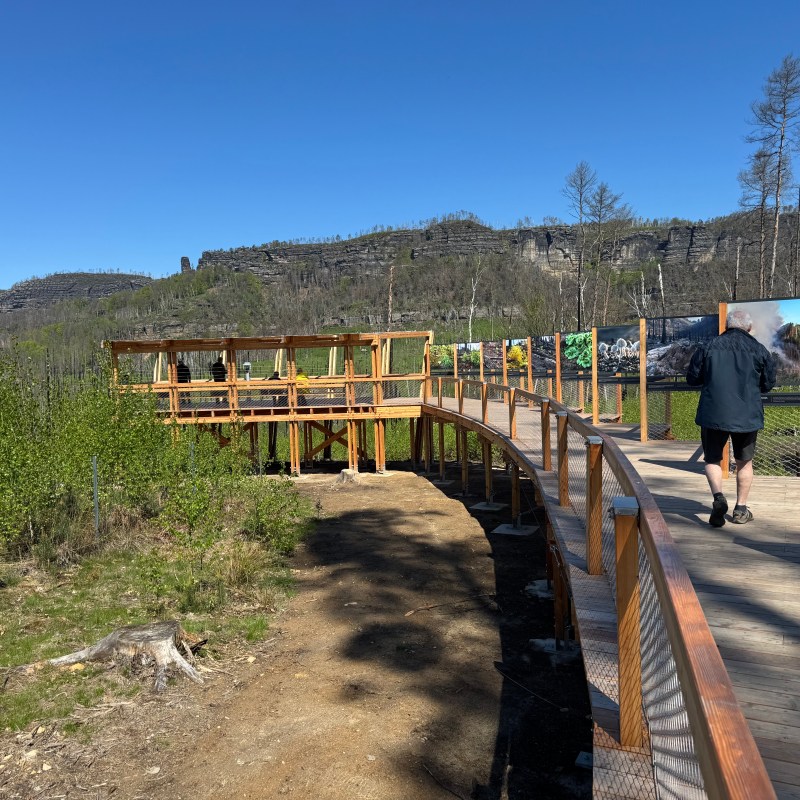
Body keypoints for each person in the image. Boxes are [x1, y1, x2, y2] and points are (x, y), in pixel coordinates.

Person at [686, 307, 776, 526]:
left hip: (713, 414)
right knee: (744, 462)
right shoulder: (760, 350)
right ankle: (740, 509)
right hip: (747, 416)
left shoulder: (708, 347)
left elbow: (693, 379)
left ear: (726, 326)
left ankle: (718, 498)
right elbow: (767, 384)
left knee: (712, 459)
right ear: (750, 327)